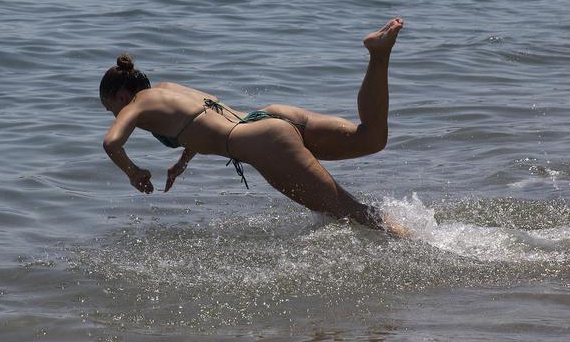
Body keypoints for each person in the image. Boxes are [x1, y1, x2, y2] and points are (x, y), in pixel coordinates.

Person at [98, 19, 406, 232]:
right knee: (371, 137)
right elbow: (201, 120)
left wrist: (133, 172)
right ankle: (379, 55)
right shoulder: (167, 89)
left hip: (266, 143)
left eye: (109, 107)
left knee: (350, 214)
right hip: (270, 117)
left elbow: (111, 143)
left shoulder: (137, 104)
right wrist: (183, 161)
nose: (114, 114)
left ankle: (431, 247)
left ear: (122, 96)